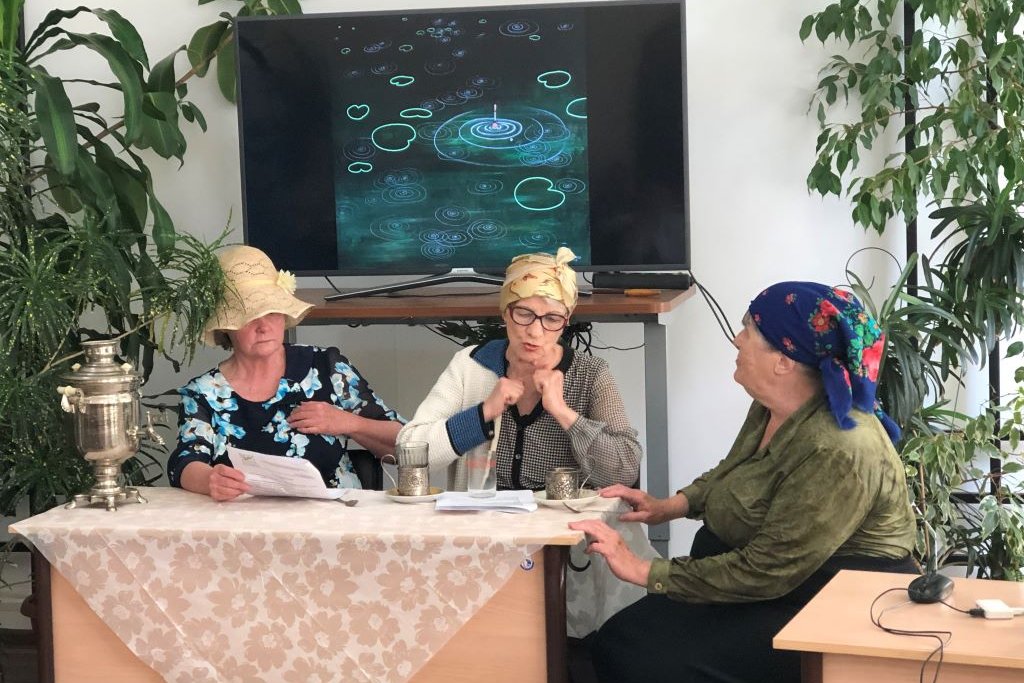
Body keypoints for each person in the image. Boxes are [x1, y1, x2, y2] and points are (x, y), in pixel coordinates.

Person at [570, 281, 918, 683]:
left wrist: (646, 570)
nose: (737, 340)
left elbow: (769, 570)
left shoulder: (839, 447)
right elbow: (734, 471)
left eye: (749, 330)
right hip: (771, 585)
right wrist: (670, 506)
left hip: (829, 600)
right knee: (615, 640)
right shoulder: (774, 405)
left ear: (784, 360)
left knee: (634, 654)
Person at [167, 245, 403, 501]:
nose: (263, 326)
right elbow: (184, 462)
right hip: (247, 522)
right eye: (248, 316)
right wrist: (210, 480)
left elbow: (407, 443)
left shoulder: (326, 368)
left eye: (272, 311)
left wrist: (348, 422)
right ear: (226, 326)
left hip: (337, 518)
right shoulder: (203, 394)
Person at [397, 247, 642, 491]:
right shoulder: (471, 364)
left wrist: (563, 413)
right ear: (505, 312)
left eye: (552, 319)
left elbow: (625, 472)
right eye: (524, 314)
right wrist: (483, 413)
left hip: (564, 513)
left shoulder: (590, 374)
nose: (535, 332)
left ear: (565, 322)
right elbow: (409, 455)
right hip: (484, 513)